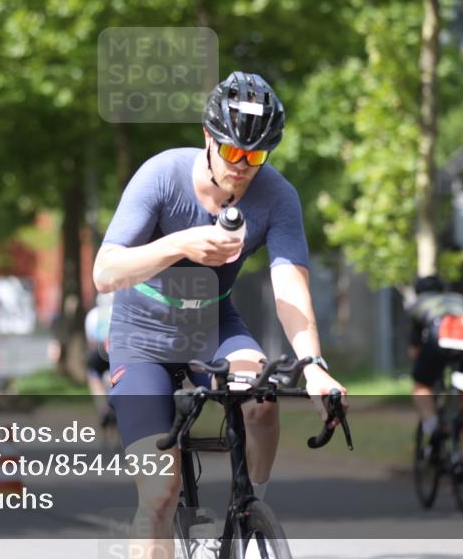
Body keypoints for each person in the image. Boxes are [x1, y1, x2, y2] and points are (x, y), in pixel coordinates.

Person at [93, 71, 346, 556]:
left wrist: (314, 366)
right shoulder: (162, 175)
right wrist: (181, 243)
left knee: (263, 401)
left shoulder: (277, 196)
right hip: (141, 336)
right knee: (160, 495)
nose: (242, 166)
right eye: (232, 152)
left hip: (212, 325)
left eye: (256, 156)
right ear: (207, 137)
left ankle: (249, 518)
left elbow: (290, 284)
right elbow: (105, 273)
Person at [408, 274, 463, 449]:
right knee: (461, 388)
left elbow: (415, 350)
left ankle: (433, 426)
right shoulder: (460, 300)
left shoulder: (417, 305)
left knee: (421, 387)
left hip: (438, 338)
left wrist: (425, 370)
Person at [84, 292, 115, 428]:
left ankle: (103, 407)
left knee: (93, 374)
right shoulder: (119, 311)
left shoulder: (93, 314)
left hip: (100, 352)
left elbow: (91, 341)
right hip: (117, 352)